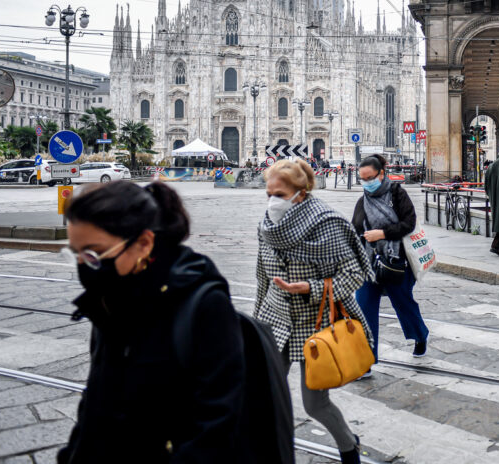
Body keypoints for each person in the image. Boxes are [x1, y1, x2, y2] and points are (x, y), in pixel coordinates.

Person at [58, 182, 247, 463]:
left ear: (144, 244)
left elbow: (215, 428)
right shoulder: (110, 296)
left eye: (94, 253)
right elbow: (98, 401)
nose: (85, 266)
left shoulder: (204, 304)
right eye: (76, 253)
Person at [256, 158, 370, 464]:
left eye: (278, 195)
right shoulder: (267, 226)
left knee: (314, 405)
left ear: (301, 192)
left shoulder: (328, 224)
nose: (271, 202)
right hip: (276, 320)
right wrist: (257, 326)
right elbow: (262, 277)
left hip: (314, 324)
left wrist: (310, 287)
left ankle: (349, 447)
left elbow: (354, 273)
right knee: (263, 396)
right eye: (268, 194)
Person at [352, 154, 430, 367]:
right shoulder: (363, 201)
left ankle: (420, 335)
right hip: (368, 264)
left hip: (396, 261)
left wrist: (383, 234)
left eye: (370, 178)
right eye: (363, 179)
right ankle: (366, 360)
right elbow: (355, 230)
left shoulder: (397, 194)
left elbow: (409, 223)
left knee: (403, 304)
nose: (366, 183)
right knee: (364, 308)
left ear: (382, 174)